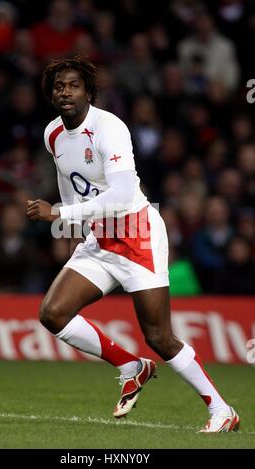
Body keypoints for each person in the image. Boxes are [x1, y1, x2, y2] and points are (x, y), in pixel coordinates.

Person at [26, 56, 239, 432]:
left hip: (138, 232)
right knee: (53, 313)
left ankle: (221, 409)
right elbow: (69, 185)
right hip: (100, 238)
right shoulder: (52, 134)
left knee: (158, 336)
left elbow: (124, 193)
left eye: (74, 85)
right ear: (51, 93)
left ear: (88, 90)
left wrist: (59, 215)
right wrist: (71, 227)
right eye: (59, 86)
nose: (66, 92)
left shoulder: (109, 127)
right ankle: (130, 366)